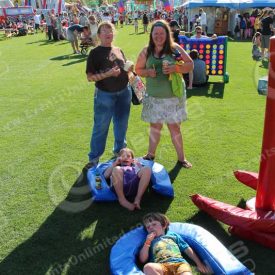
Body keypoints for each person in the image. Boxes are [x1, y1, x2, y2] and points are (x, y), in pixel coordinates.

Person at [135, 20, 193, 168]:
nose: (159, 36)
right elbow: (138, 69)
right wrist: (148, 72)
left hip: (173, 97)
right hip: (154, 98)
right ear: (151, 35)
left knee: (175, 128)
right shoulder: (146, 51)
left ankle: (182, 158)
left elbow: (190, 65)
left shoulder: (174, 49)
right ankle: (150, 154)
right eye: (156, 33)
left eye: (162, 33)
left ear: (167, 34)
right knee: (155, 128)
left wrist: (176, 68)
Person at [86, 22, 132, 168]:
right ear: (99, 35)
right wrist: (108, 74)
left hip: (124, 93)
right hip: (105, 95)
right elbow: (90, 77)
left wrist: (129, 68)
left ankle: (119, 153)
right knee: (101, 127)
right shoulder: (94, 53)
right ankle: (94, 159)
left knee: (121, 125)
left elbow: (125, 69)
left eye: (110, 30)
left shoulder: (118, 49)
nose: (107, 33)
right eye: (104, 31)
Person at [139, 213, 211, 274]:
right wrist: (147, 242)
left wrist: (199, 264)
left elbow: (187, 249)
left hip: (179, 264)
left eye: (154, 224)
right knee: (147, 267)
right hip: (161, 266)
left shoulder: (173, 235)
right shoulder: (149, 242)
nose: (151, 227)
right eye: (148, 227)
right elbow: (142, 260)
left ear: (163, 225)